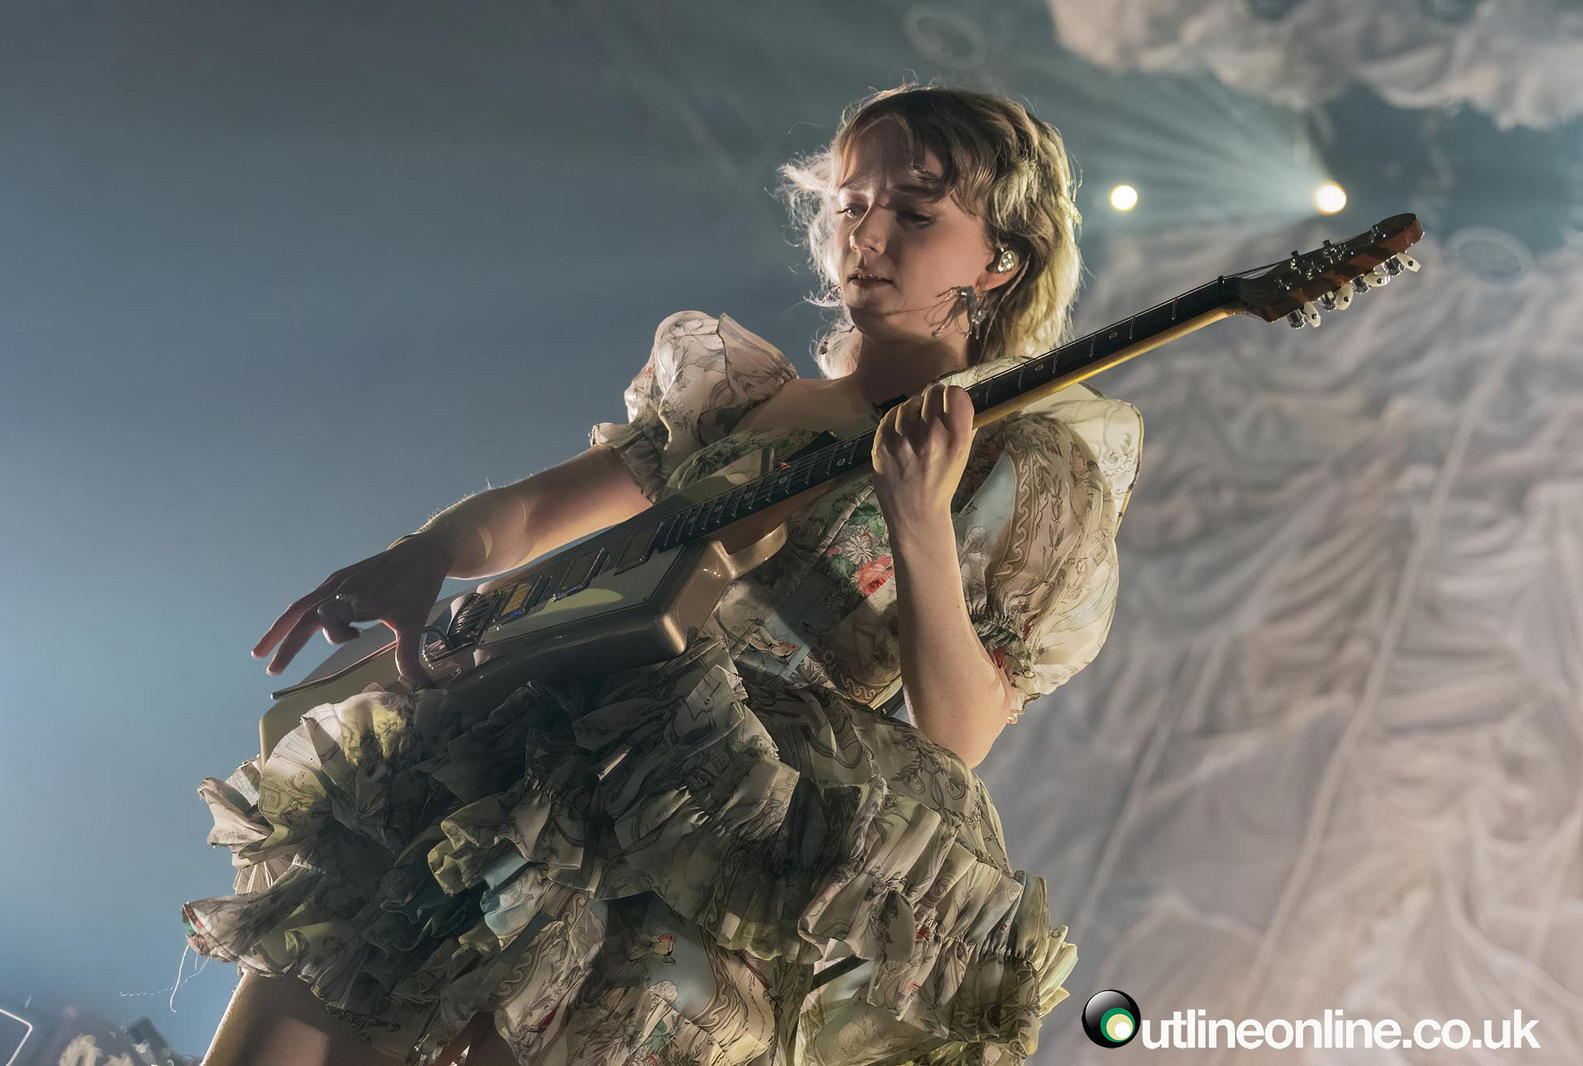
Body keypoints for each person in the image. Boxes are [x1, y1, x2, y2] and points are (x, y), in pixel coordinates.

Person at [182, 81, 1142, 1066]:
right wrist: (426, 553)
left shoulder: (1021, 460)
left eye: (915, 212)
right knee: (311, 992)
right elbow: (535, 513)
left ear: (1003, 256)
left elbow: (961, 731)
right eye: (851, 203)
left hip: (713, 819)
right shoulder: (743, 401)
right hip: (544, 739)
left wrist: (919, 519)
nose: (866, 234)